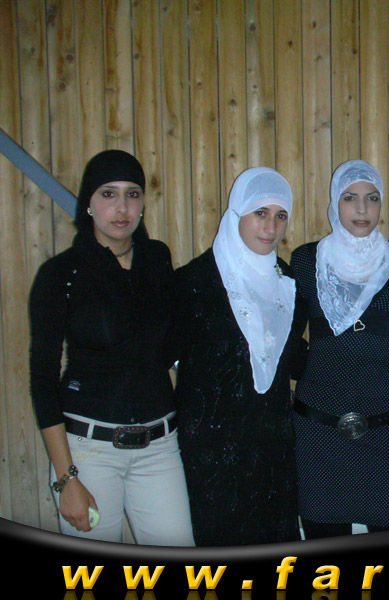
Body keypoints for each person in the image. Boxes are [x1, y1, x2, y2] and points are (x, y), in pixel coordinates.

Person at [28, 149, 194, 544]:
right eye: (108, 194)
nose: (122, 207)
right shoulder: (60, 274)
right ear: (88, 203)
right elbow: (42, 379)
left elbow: (172, 345)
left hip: (159, 448)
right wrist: (66, 478)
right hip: (88, 452)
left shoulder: (157, 259)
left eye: (132, 194)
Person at [174, 167, 305, 545]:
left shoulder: (288, 284)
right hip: (212, 451)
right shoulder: (194, 281)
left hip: (273, 446)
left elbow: (289, 358)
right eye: (260, 213)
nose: (271, 227)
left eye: (281, 216)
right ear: (237, 214)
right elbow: (165, 360)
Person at [290, 159, 389, 538]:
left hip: (384, 426)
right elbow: (285, 333)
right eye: (350, 198)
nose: (362, 209)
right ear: (334, 202)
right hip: (318, 429)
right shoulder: (306, 259)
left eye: (372, 198)